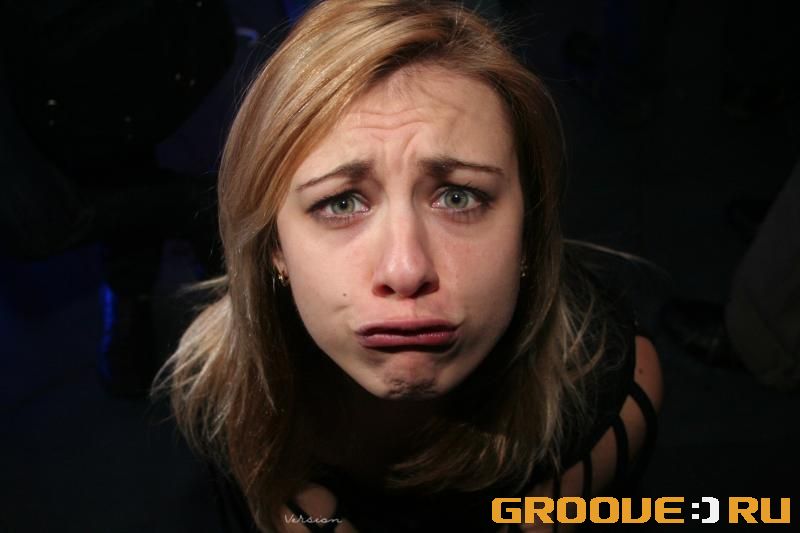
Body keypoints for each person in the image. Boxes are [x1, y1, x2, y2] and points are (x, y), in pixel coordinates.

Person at [159, 1, 663, 531]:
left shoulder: (605, 388)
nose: (406, 270)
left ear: (529, 232)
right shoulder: (222, 387)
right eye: (341, 203)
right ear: (274, 248)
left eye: (459, 197)